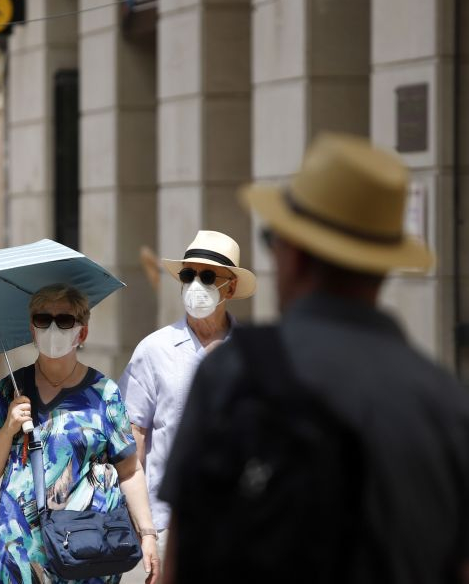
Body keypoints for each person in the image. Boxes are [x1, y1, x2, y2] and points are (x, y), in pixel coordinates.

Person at [159, 133, 469, 583]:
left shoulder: (234, 371)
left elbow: (182, 557)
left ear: (296, 255)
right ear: (382, 265)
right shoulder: (447, 405)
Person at [0, 283, 160, 584]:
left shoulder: (104, 393)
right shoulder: (10, 391)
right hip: (21, 550)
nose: (53, 328)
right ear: (32, 330)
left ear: (82, 333)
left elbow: (130, 471)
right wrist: (8, 428)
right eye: (43, 320)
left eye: (64, 320)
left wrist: (148, 533)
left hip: (88, 549)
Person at [118, 230, 256, 558]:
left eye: (208, 276)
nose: (196, 284)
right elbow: (132, 434)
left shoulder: (252, 354)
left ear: (231, 287)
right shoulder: (153, 350)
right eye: (188, 274)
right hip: (169, 525)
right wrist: (142, 525)